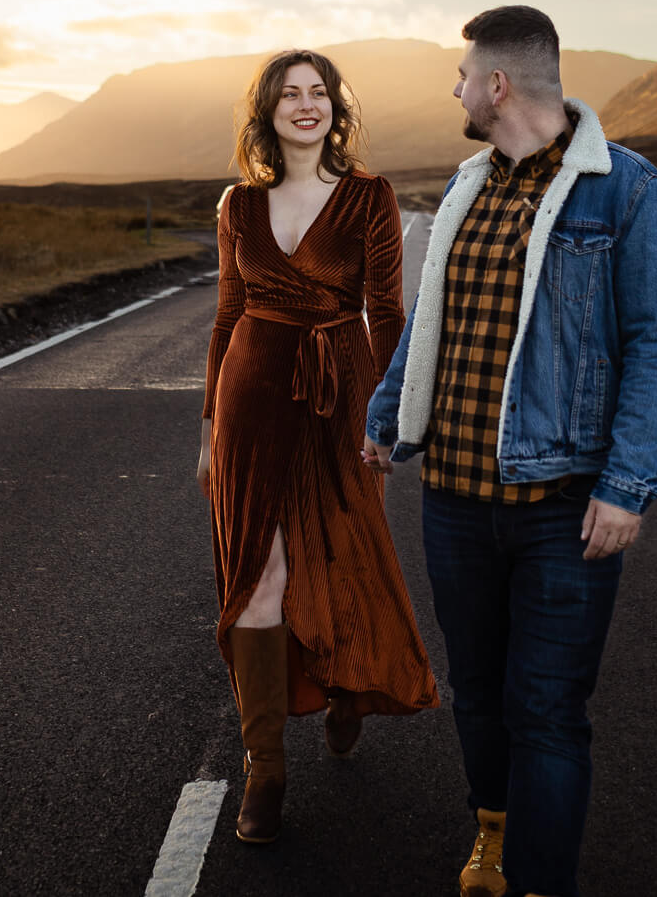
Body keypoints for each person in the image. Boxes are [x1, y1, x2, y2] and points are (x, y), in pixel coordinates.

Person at [362, 6, 657, 897]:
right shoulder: (470, 185)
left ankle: (543, 882)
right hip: (456, 499)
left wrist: (627, 486)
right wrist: (386, 415)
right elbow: (431, 320)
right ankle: (494, 838)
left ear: (498, 84)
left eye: (464, 76)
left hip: (562, 505)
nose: (456, 89)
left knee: (546, 707)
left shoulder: (628, 190)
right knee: (479, 690)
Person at [199, 47, 439, 844]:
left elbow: (392, 315)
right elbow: (228, 314)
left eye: (319, 93)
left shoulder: (369, 197)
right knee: (258, 572)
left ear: (336, 108)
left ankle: (346, 686)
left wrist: (393, 417)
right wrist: (209, 426)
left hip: (342, 388)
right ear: (267, 111)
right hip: (251, 393)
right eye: (290, 95)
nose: (307, 105)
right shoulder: (239, 203)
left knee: (338, 552)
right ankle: (263, 768)